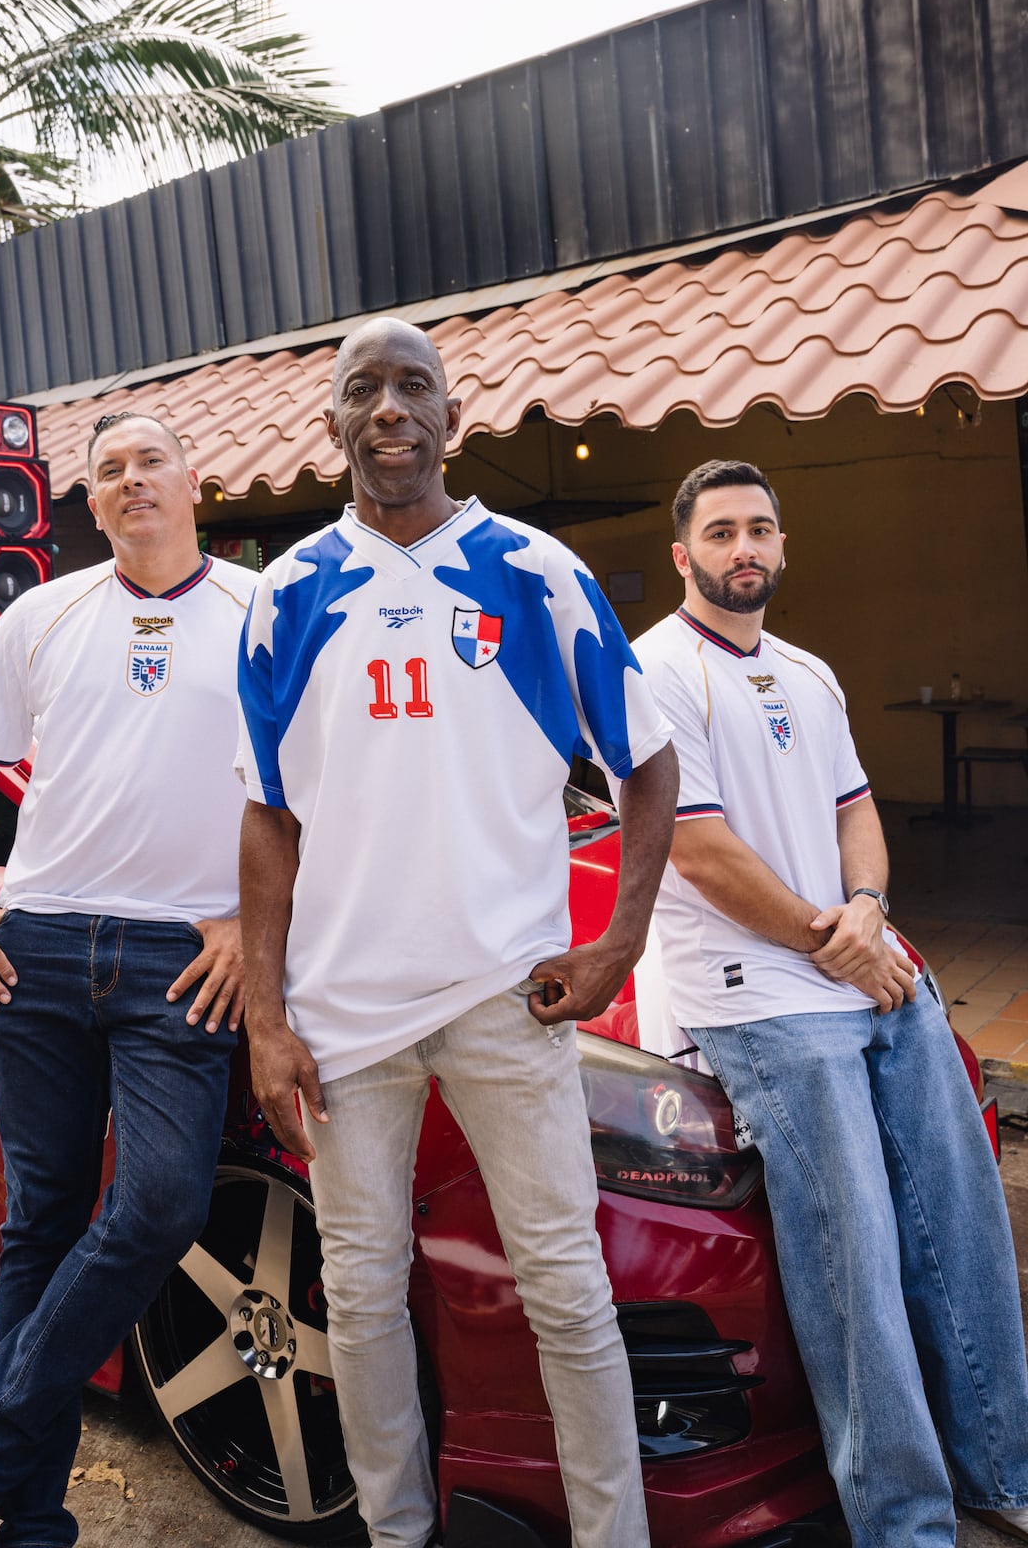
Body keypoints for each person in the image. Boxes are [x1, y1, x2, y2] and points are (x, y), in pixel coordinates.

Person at [235, 316, 679, 1548]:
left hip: (505, 994)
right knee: (367, 1297)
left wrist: (619, 944)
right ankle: (397, 1532)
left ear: (452, 418)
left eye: (412, 387)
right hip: (344, 1016)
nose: (389, 408)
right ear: (331, 423)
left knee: (566, 1289)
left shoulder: (537, 572)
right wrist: (268, 1020)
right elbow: (267, 821)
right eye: (363, 390)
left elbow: (647, 763)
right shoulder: (286, 596)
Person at [632, 457, 1028, 1547]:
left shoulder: (807, 672)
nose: (742, 548)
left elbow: (860, 814)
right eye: (719, 533)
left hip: (861, 964)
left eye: (759, 528)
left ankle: (1002, 1469)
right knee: (851, 1248)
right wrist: (832, 942)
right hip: (753, 992)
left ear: (782, 546)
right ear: (685, 555)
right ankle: (906, 1525)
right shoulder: (657, 669)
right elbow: (702, 855)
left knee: (961, 1210)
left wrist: (866, 906)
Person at [0, 413, 257, 1548]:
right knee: (43, 1225)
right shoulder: (41, 615)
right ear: (90, 506)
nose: (132, 481)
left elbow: (315, 793)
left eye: (151, 459)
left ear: (195, 480)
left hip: (179, 961)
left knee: (160, 1205)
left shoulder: (266, 615)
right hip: (38, 947)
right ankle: (18, 1520)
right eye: (108, 473)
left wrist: (257, 922)